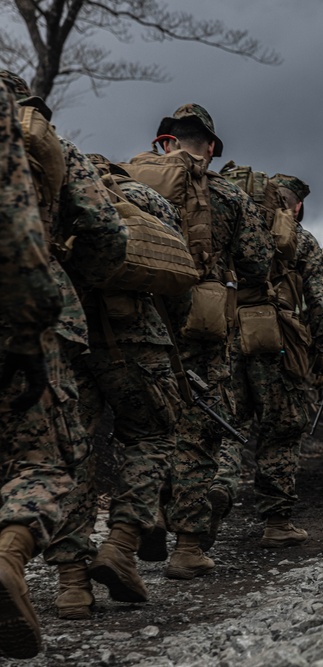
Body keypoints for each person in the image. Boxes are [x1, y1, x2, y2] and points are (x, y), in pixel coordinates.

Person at [124, 103, 275, 579]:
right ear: (210, 147)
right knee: (199, 431)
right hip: (201, 327)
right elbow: (257, 266)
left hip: (134, 321)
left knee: (142, 429)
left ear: (165, 141)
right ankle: (188, 548)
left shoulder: (128, 180)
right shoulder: (229, 197)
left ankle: (141, 514)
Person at [43, 155, 184, 619]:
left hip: (63, 338)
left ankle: (71, 586)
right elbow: (177, 270)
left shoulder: (36, 189)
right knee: (154, 434)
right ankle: (121, 545)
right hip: (133, 338)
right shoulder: (138, 196)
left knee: (72, 454)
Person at [210, 171, 323, 548]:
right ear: (292, 205)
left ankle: (217, 489)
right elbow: (321, 306)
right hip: (277, 339)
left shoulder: (223, 226)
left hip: (224, 333)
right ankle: (277, 523)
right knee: (281, 429)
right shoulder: (300, 239)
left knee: (227, 424)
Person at [0, 79, 68, 660]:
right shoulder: (23, 126)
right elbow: (18, 224)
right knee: (38, 460)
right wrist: (34, 320)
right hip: (8, 317)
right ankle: (7, 560)